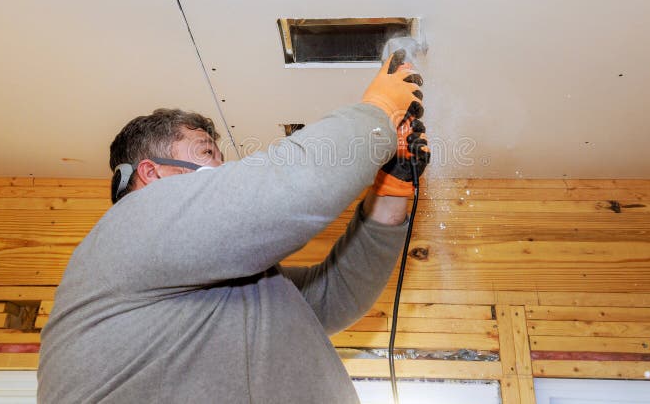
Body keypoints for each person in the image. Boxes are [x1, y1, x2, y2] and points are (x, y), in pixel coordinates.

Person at [37, 53, 429, 403]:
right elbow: (286, 190)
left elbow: (333, 298)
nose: (222, 172)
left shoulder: (222, 279)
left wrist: (391, 191)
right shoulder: (128, 228)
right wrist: (377, 112)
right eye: (207, 153)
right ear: (152, 173)